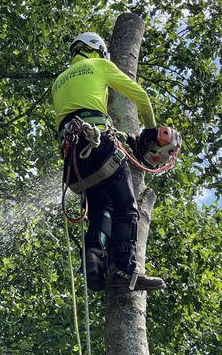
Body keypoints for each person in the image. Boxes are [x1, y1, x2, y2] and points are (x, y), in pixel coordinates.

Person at [52, 32, 165, 292]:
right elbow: (141, 97)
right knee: (126, 206)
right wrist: (149, 132)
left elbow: (77, 111)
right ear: (98, 51)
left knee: (101, 207)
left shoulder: (58, 82)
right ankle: (125, 271)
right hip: (97, 144)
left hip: (73, 163)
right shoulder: (99, 65)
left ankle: (93, 265)